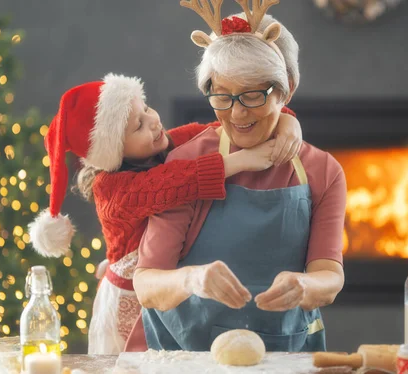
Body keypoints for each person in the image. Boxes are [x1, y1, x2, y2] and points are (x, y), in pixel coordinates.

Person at [27, 73, 303, 354]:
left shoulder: (166, 142)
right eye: (138, 125)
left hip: (167, 286)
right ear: (113, 151)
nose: (154, 120)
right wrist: (238, 161)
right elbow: (171, 183)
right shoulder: (110, 190)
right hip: (130, 300)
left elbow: (231, 127)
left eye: (146, 108)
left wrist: (286, 120)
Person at [128, 4, 346, 353]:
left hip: (286, 350)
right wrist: (193, 278)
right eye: (224, 96)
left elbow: (330, 276)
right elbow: (147, 284)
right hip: (188, 353)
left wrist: (304, 286)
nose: (237, 112)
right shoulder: (188, 163)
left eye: (253, 95)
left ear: (286, 91)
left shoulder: (323, 171)